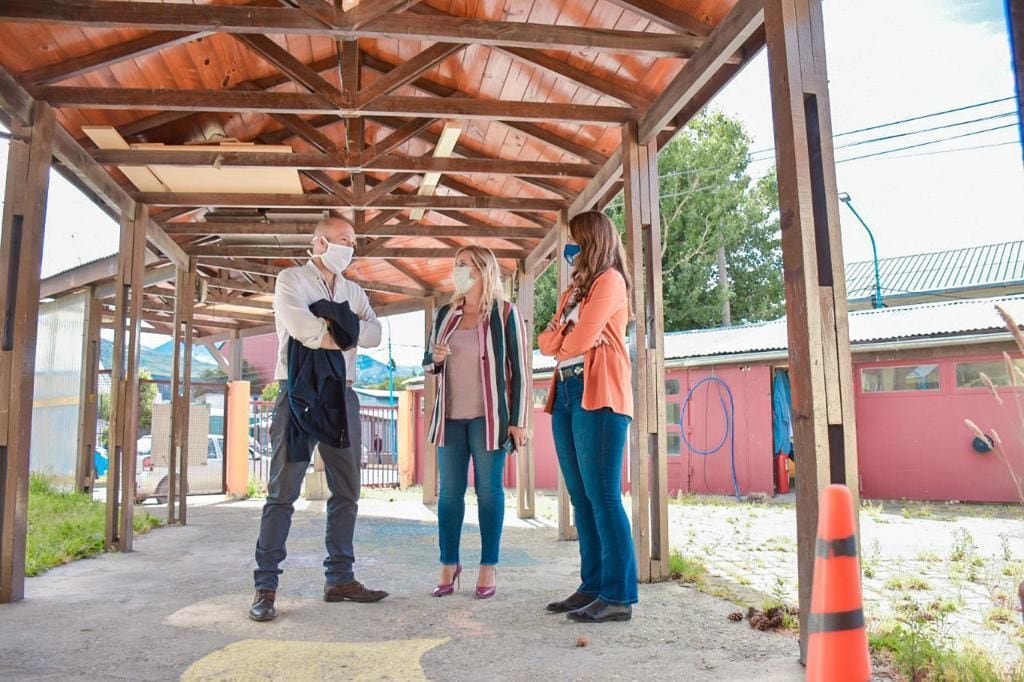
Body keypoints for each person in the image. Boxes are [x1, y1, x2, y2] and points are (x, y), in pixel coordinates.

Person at [249, 217, 389, 622]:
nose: (350, 247)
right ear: (320, 242)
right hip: (299, 393)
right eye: (344, 240)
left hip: (341, 394)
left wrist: (332, 322)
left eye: (354, 242)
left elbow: (376, 335)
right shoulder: (291, 280)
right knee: (283, 492)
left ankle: (340, 578)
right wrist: (345, 329)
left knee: (347, 491)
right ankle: (266, 587)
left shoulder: (354, 290)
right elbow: (303, 328)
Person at [538, 210, 638, 623]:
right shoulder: (574, 291)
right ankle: (592, 585)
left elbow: (572, 338)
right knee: (581, 497)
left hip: (598, 391)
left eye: (574, 240)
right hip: (566, 391)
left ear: (591, 240)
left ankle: (617, 595)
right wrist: (567, 342)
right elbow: (546, 343)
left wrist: (566, 341)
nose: (569, 249)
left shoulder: (611, 281)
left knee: (603, 496)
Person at [423, 246, 530, 600]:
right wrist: (435, 359)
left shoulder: (505, 314)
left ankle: (488, 565)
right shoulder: (444, 315)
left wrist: (519, 421)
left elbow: (521, 371)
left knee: (489, 493)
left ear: (484, 271)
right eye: (455, 265)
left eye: (464, 266)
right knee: (449, 495)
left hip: (490, 419)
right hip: (449, 419)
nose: (457, 272)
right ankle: (448, 564)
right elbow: (429, 363)